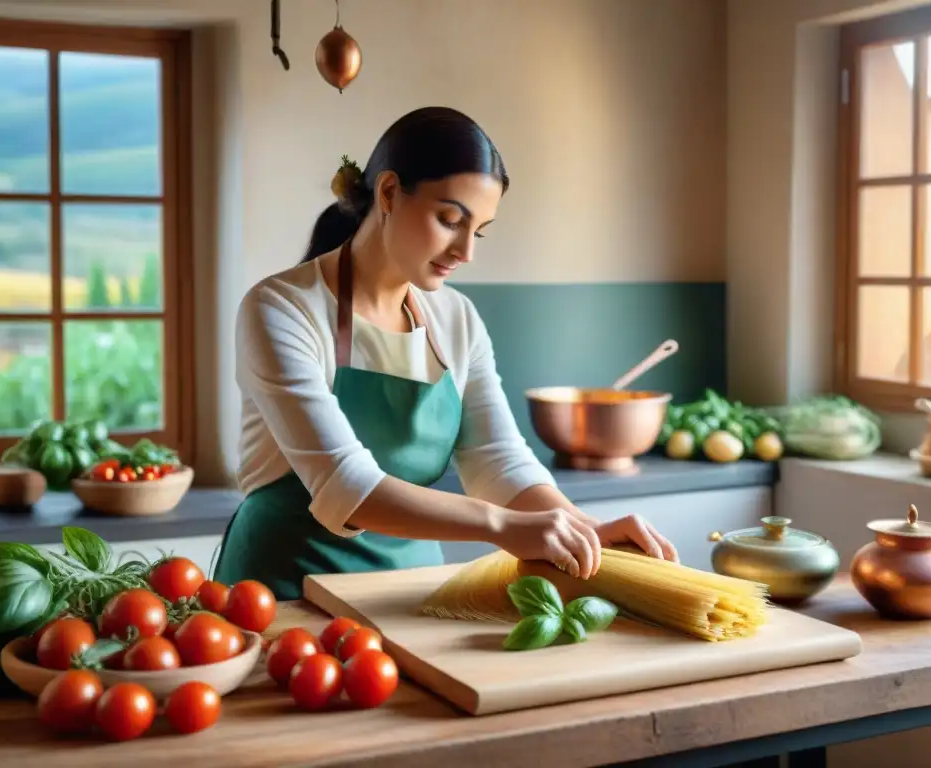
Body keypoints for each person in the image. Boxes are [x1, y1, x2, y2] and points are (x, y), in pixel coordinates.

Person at [212, 106, 679, 600]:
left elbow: (498, 461)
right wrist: (499, 526)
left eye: (477, 230)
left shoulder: (457, 320)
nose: (465, 252)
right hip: (281, 593)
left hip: (405, 593)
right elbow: (344, 484)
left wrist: (582, 527)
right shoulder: (281, 309)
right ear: (388, 192)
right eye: (449, 219)